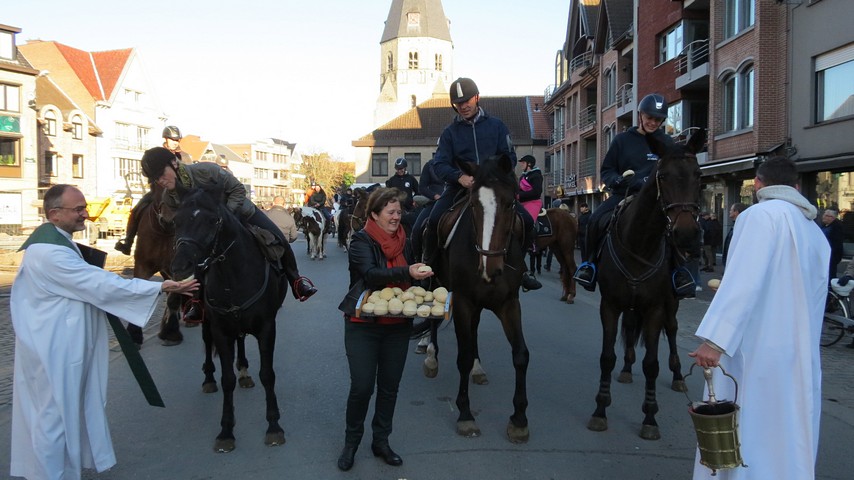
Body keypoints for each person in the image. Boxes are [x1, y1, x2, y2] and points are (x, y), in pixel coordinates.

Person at [10, 184, 198, 480]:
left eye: (84, 207)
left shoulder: (57, 242)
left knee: (61, 412)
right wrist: (161, 285)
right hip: (56, 348)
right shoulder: (49, 253)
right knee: (54, 415)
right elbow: (99, 283)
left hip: (62, 343)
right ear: (54, 214)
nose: (86, 214)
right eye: (79, 209)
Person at [689, 156, 828, 480]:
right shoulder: (814, 231)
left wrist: (715, 340)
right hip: (798, 354)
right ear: (795, 187)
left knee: (747, 427)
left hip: (757, 348)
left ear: (759, 185)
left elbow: (743, 281)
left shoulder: (759, 216)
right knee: (789, 431)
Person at [335, 188, 434, 471]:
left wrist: (424, 284)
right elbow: (371, 275)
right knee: (362, 386)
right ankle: (351, 442)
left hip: (397, 326)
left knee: (389, 388)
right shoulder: (361, 241)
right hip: (362, 325)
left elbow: (415, 273)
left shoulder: (405, 239)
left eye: (399, 212)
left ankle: (381, 441)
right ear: (374, 214)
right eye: (390, 212)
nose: (396, 217)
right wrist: (408, 273)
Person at [140, 146, 317, 302]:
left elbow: (238, 190)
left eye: (162, 174)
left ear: (174, 163)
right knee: (195, 259)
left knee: (280, 239)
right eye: (156, 179)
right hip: (210, 230)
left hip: (243, 214)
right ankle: (196, 303)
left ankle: (296, 281)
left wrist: (227, 215)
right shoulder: (169, 198)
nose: (161, 181)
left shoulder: (207, 170)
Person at [422, 77, 541, 291]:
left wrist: (493, 175)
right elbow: (438, 163)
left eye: (467, 100)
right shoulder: (449, 133)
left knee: (527, 222)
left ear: (477, 98)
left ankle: (521, 269)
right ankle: (429, 268)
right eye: (458, 103)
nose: (464, 106)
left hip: (493, 188)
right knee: (433, 221)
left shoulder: (497, 126)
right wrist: (459, 177)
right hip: (460, 187)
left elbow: (509, 157)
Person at [572, 93, 695, 296]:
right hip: (624, 195)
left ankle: (679, 272)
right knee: (594, 220)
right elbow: (607, 171)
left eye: (658, 119)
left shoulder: (667, 143)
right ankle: (589, 266)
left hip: (658, 201)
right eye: (650, 117)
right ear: (640, 115)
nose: (653, 122)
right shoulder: (622, 140)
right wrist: (619, 180)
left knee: (679, 226)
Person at [114, 125, 189, 256]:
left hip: (179, 191)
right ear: (166, 139)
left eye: (177, 140)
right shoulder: (156, 153)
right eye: (172, 140)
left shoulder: (184, 156)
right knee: (138, 208)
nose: (175, 143)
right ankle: (128, 242)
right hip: (158, 190)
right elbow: (145, 170)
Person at [410, 154, 444, 259]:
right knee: (416, 230)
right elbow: (422, 187)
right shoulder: (429, 165)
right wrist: (434, 195)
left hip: (455, 200)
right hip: (434, 202)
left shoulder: (458, 164)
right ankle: (418, 259)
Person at [820, 208, 844, 281]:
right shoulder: (824, 225)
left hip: (831, 255)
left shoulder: (836, 227)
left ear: (833, 218)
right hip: (823, 254)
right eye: (824, 214)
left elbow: (836, 244)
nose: (824, 216)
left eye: (827, 215)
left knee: (830, 274)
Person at [721, 202, 747, 267]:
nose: (729, 211)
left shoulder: (741, 226)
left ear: (736, 212)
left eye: (731, 210)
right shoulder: (735, 226)